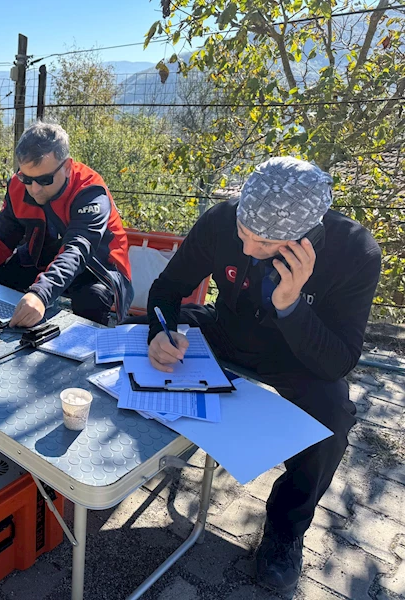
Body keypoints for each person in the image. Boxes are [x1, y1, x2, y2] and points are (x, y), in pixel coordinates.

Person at [145, 156, 381, 594]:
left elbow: (338, 362)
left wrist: (291, 307)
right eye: (244, 235)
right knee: (137, 342)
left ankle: (285, 533)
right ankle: (139, 452)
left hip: (297, 355)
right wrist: (161, 331)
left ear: (308, 236)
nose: (250, 249)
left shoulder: (356, 252)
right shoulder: (220, 220)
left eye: (267, 243)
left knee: (332, 418)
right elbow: (167, 288)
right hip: (228, 328)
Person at [0, 121, 133, 327]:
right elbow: (2, 240)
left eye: (45, 180)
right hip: (42, 258)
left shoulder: (90, 191)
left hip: (96, 268)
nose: (34, 189)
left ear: (67, 167)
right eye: (26, 178)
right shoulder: (18, 185)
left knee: (91, 299)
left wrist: (40, 293)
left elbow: (77, 251)